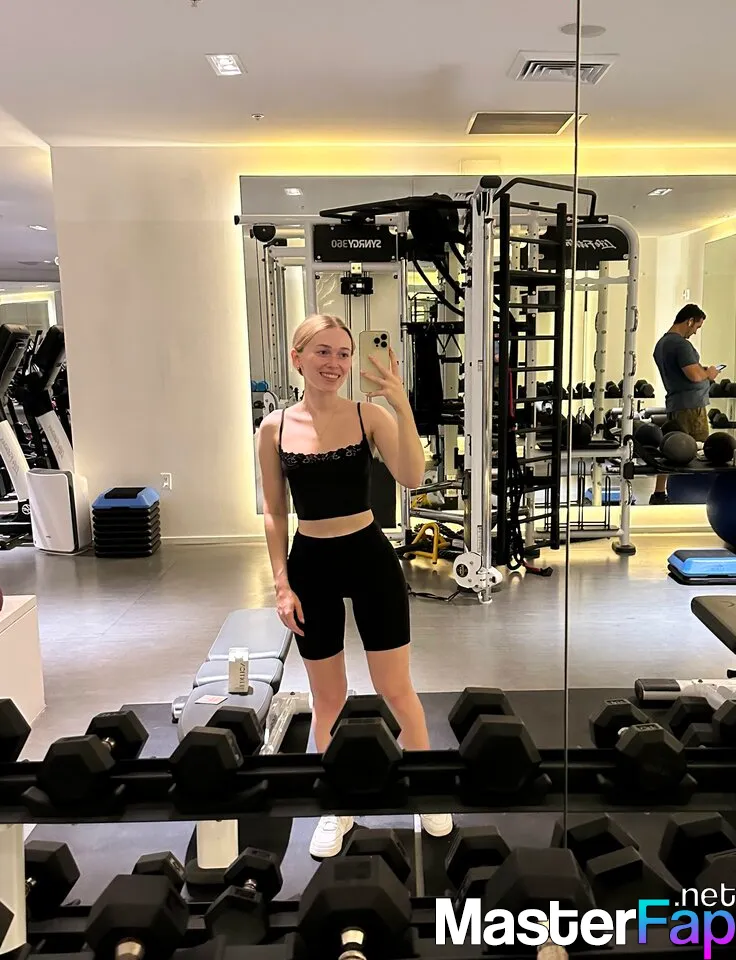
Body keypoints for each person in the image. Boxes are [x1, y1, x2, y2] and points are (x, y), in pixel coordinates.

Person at [257, 314, 453, 857]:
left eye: (343, 353)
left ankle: (426, 791)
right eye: (322, 351)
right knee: (328, 697)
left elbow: (412, 476)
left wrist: (402, 405)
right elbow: (274, 511)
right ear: (297, 358)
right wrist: (281, 584)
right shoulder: (274, 428)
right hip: (310, 564)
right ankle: (336, 804)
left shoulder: (369, 415)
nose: (335, 363)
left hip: (369, 558)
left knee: (397, 688)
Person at [650, 303, 719, 504]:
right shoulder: (681, 345)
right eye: (696, 327)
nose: (695, 332)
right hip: (691, 408)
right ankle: (701, 498)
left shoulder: (661, 344)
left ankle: (659, 493)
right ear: (689, 321)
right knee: (702, 451)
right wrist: (710, 373)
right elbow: (695, 376)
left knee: (671, 449)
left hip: (676, 404)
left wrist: (700, 370)